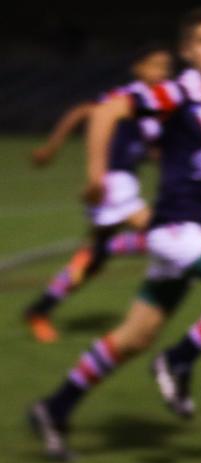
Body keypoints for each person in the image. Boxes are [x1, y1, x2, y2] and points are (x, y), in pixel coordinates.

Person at [27, 7, 201, 462]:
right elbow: (106, 112)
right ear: (187, 51)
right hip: (173, 230)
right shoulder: (171, 94)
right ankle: (179, 359)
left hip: (195, 233)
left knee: (133, 337)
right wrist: (95, 174)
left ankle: (54, 408)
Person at [22, 45, 172, 343]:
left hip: (125, 181)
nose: (161, 73)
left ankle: (39, 310)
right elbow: (82, 112)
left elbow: (152, 146)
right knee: (165, 234)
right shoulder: (127, 96)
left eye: (166, 67)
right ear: (138, 68)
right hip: (111, 183)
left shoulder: (157, 104)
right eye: (154, 66)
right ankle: (146, 311)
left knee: (93, 261)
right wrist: (52, 149)